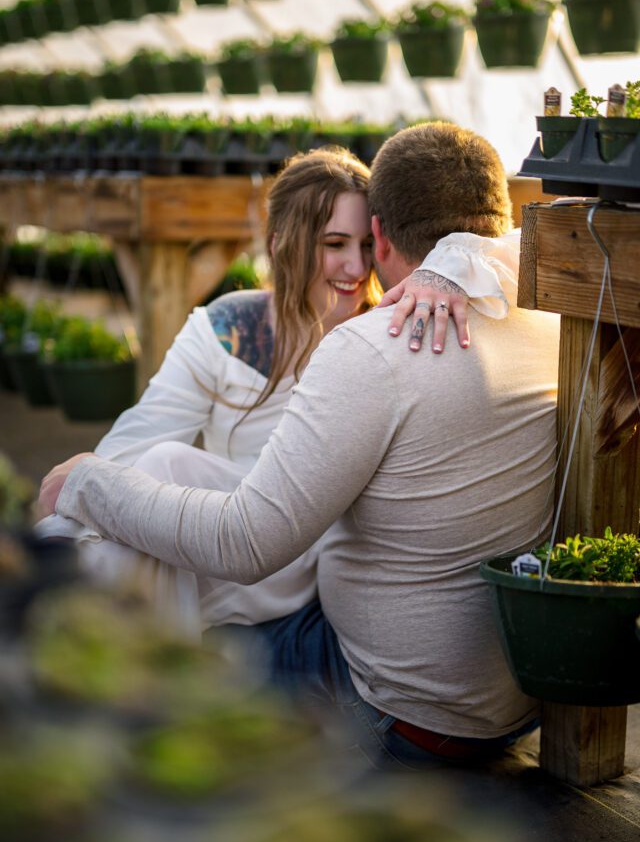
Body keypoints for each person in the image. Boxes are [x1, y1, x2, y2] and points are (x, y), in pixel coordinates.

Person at [41, 122, 561, 768]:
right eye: (328, 244)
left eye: (356, 243)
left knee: (145, 602)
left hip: (382, 700)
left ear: (380, 234)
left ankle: (115, 737)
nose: (350, 267)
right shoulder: (551, 319)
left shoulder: (375, 346)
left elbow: (245, 543)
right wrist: (462, 261)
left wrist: (87, 483)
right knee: (156, 468)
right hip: (502, 691)